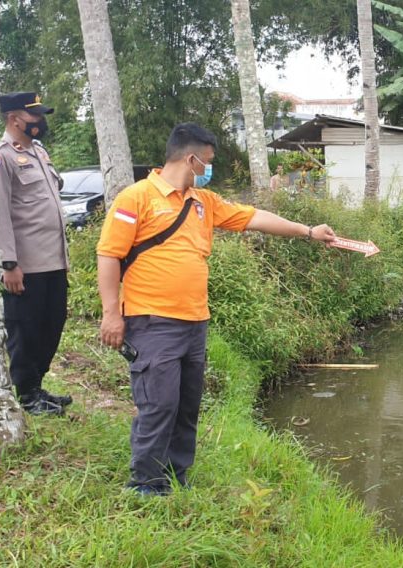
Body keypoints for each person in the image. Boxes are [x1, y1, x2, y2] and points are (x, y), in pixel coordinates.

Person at [96, 123, 336, 495]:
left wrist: (308, 231)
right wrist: (112, 313)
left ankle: (177, 476)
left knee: (186, 405)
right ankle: (145, 484)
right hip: (152, 320)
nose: (209, 170)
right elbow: (109, 255)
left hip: (195, 322)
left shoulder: (202, 202)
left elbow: (254, 218)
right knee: (158, 404)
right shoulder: (136, 198)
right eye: (206, 162)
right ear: (190, 159)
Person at [0, 91, 72, 416]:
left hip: (54, 259)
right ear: (15, 119)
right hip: (26, 264)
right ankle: (26, 395)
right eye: (35, 117)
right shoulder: (2, 157)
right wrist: (9, 263)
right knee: (25, 331)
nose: (41, 122)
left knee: (51, 324)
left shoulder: (39, 152)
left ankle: (37, 387)